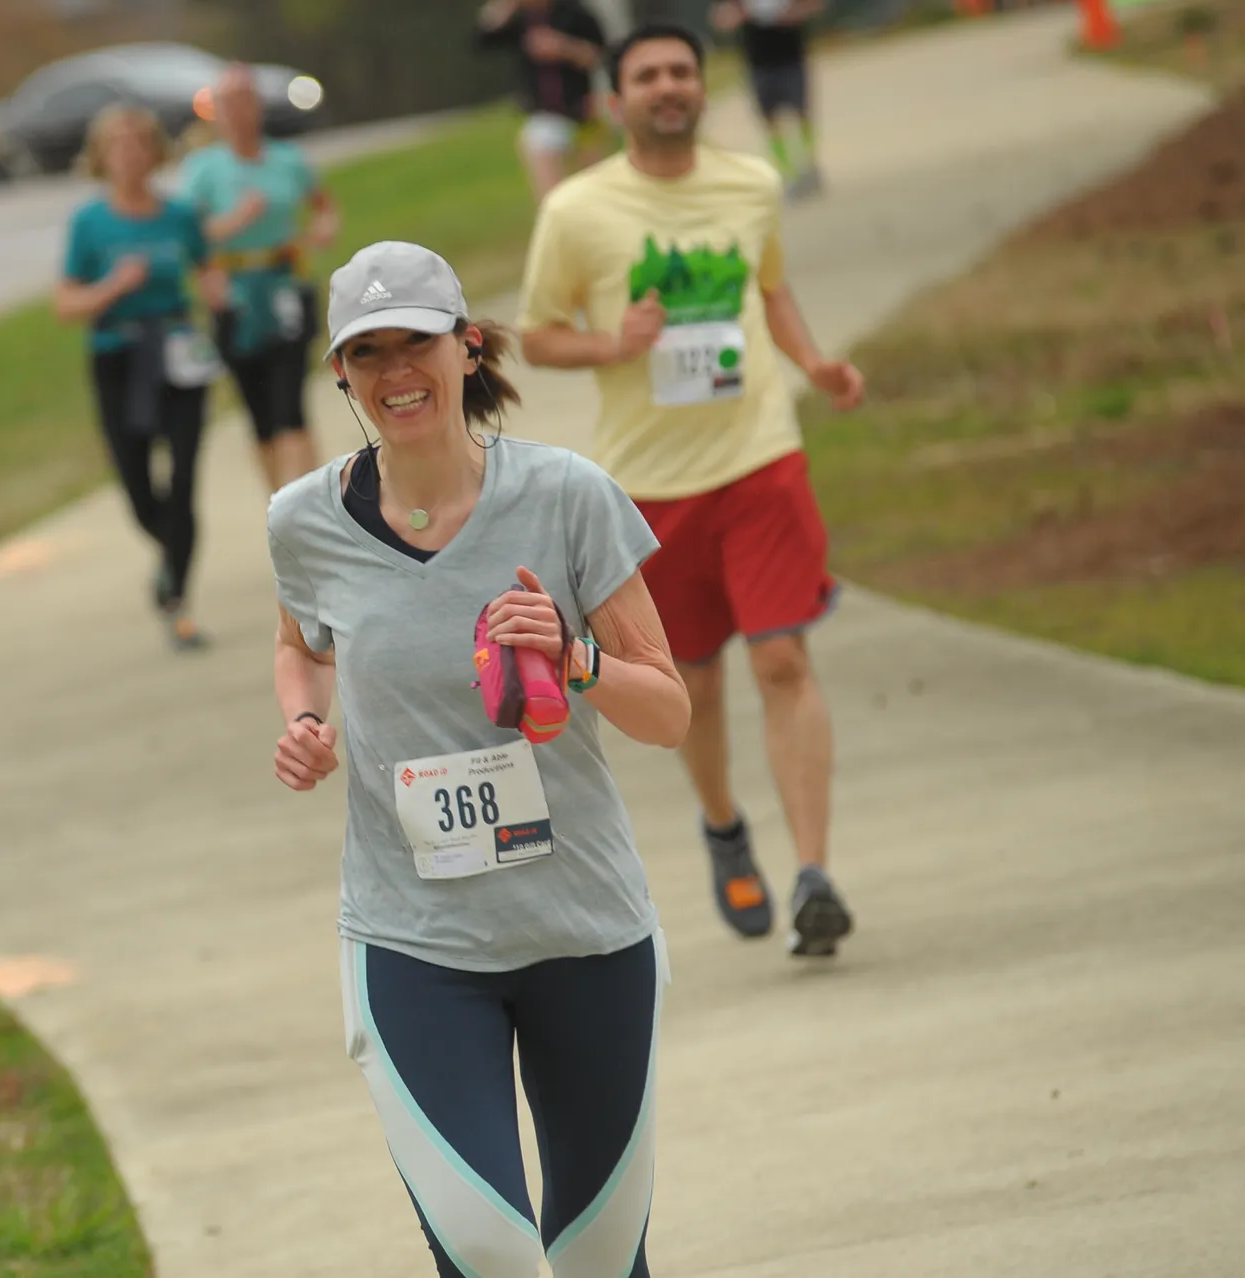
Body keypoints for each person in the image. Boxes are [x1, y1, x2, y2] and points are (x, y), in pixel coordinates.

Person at [268, 239, 690, 1278]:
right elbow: (297, 642)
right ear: (340, 376)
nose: (395, 372)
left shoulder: (567, 496)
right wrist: (305, 722)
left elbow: (669, 711)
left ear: (468, 346)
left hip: (583, 930)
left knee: (597, 1266)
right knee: (490, 1254)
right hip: (414, 940)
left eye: (416, 342)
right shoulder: (304, 523)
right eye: (368, 354)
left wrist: (573, 657)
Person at [517, 23, 865, 957]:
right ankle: (722, 826)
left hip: (760, 457)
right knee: (696, 683)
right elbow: (538, 333)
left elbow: (772, 289)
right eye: (647, 75)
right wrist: (612, 344)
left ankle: (815, 874)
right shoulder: (579, 211)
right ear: (614, 96)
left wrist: (814, 363)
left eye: (681, 71)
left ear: (700, 87)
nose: (668, 85)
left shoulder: (749, 185)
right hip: (650, 487)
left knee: (783, 660)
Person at [55, 104, 228, 651]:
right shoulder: (90, 223)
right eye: (117, 146)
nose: (130, 155)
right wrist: (113, 287)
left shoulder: (179, 214)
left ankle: (175, 592)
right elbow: (66, 304)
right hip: (119, 355)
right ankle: (171, 554)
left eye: (139, 143)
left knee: (183, 477)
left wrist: (216, 294)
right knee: (137, 487)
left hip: (178, 351)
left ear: (155, 152)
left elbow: (207, 267)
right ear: (101, 159)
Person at [179, 63, 341, 492]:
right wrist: (234, 221)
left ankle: (313, 501)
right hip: (234, 292)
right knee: (258, 406)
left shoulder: (287, 159)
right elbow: (188, 237)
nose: (237, 111)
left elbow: (323, 204)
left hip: (285, 280)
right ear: (215, 112)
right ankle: (280, 504)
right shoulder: (203, 169)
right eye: (227, 103)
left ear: (258, 106)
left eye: (244, 100)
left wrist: (324, 225)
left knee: (290, 397)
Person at [477, 0, 612, 202]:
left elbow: (600, 55)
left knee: (594, 188)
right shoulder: (519, 20)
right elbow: (483, 40)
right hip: (544, 113)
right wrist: (504, 7)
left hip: (583, 110)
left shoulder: (575, 12)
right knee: (551, 195)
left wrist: (563, 47)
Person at [712, 0, 826, 197]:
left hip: (791, 58)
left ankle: (809, 165)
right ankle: (786, 171)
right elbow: (721, 19)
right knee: (769, 120)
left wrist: (791, 14)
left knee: (802, 113)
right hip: (759, 63)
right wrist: (738, 16)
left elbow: (815, 5)